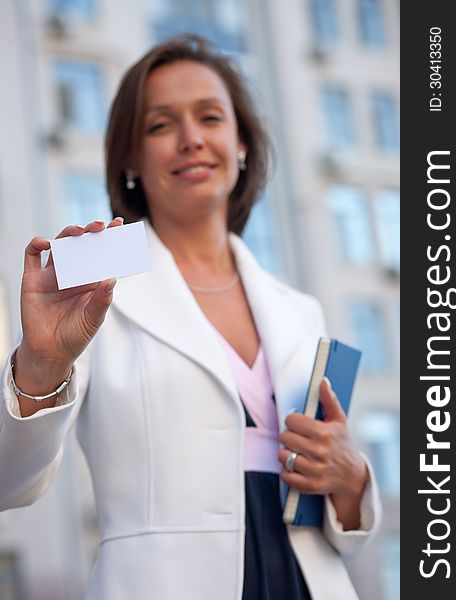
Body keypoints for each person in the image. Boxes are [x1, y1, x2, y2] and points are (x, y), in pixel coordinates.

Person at [0, 35, 381, 599]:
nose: (192, 139)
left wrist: (352, 482)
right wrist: (39, 365)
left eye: (210, 117)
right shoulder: (87, 286)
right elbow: (10, 481)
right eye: (160, 126)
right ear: (129, 159)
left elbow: (336, 522)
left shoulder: (299, 310)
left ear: (242, 142)